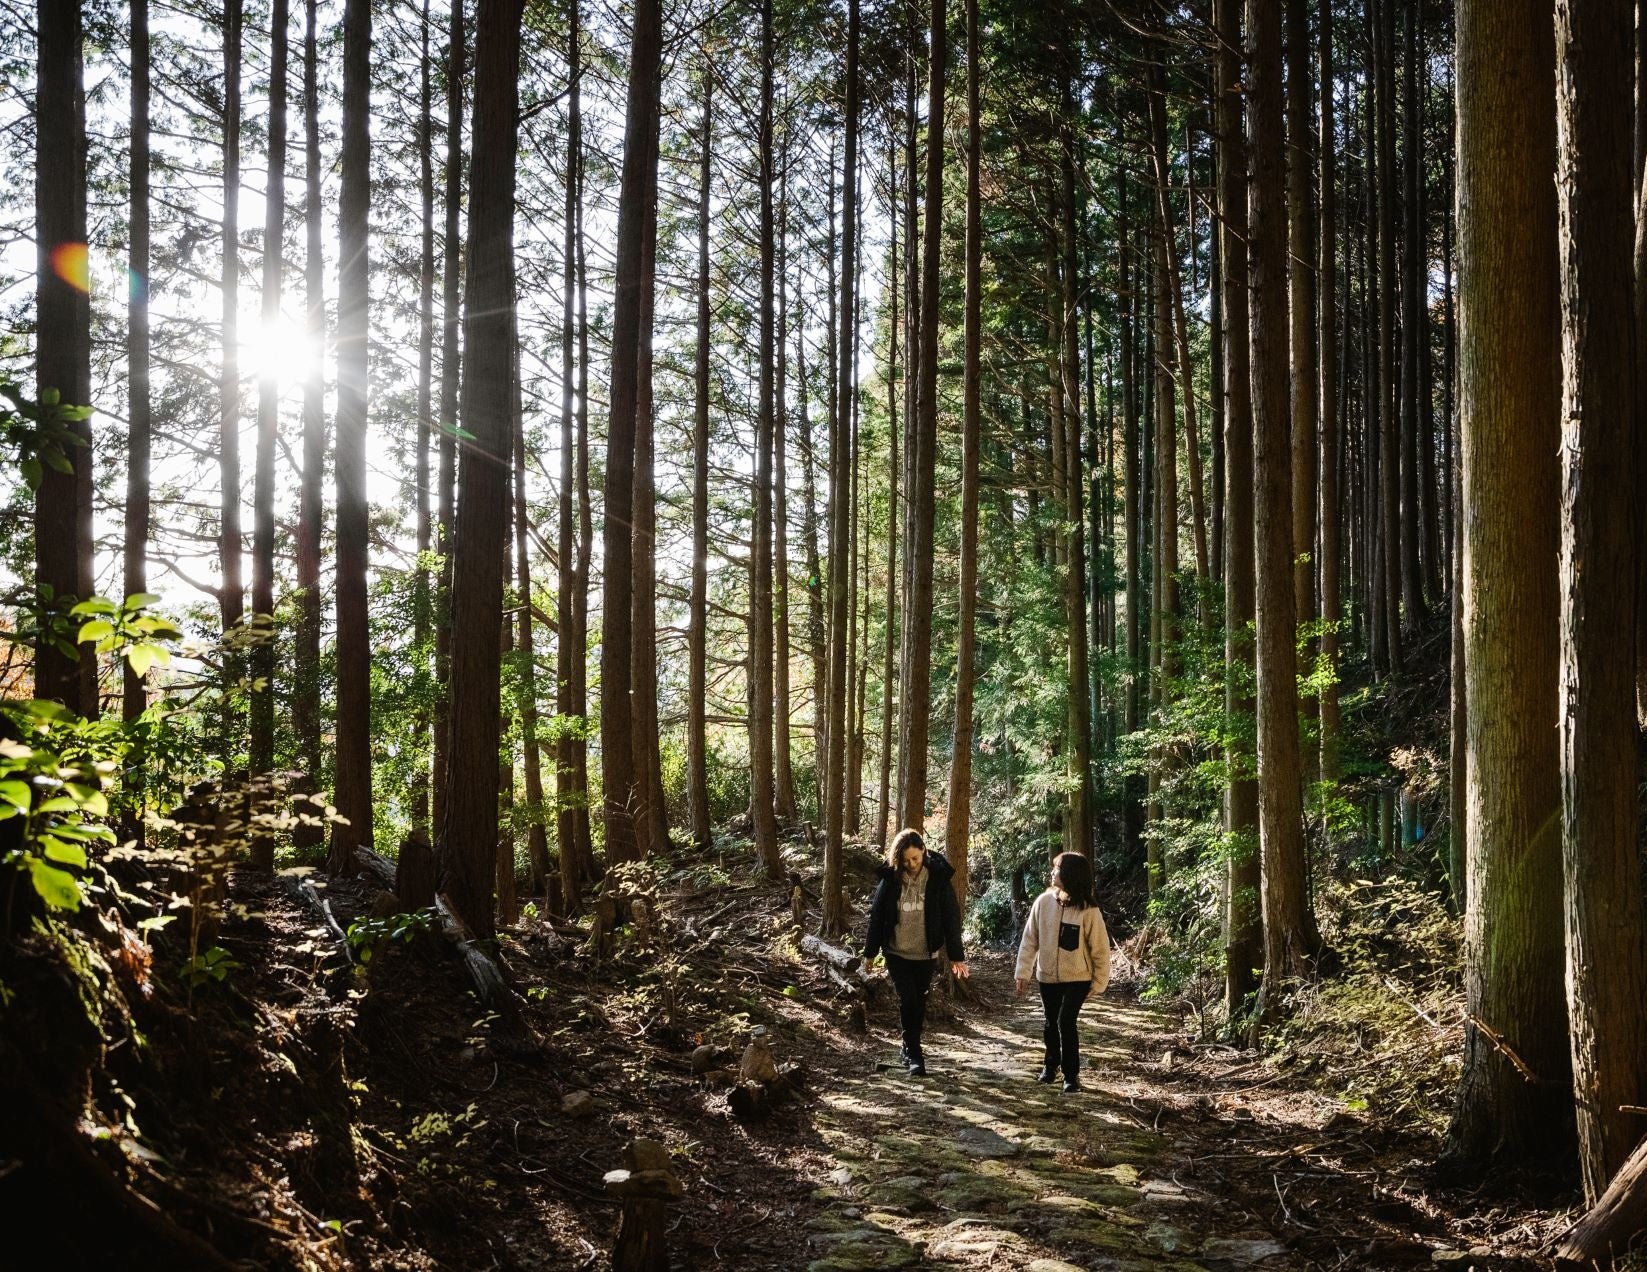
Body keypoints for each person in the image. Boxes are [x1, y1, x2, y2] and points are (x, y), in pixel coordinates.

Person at [863, 828, 969, 1076]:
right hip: (896, 951)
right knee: (908, 998)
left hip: (925, 953)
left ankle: (908, 1045)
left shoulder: (938, 878)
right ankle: (915, 1053)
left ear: (923, 851)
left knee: (919, 1001)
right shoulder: (891, 879)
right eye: (905, 860)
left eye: (915, 858)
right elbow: (877, 917)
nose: (911, 864)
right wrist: (870, 953)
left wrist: (956, 956)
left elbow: (951, 918)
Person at [1014, 851, 1110, 1093]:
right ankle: (1050, 1065)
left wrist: (1099, 982)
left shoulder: (1089, 910)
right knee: (1050, 1022)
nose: (1052, 872)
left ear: (1070, 874)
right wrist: (1023, 972)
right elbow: (1030, 939)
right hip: (1047, 976)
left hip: (1078, 978)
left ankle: (1071, 1075)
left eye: (1057, 869)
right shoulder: (1043, 903)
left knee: (1065, 1022)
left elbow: (1100, 949)